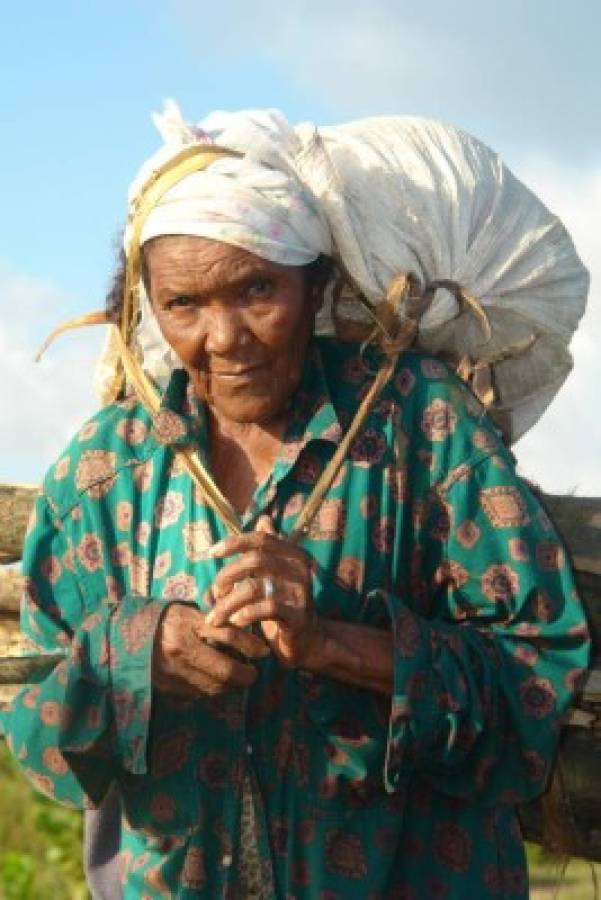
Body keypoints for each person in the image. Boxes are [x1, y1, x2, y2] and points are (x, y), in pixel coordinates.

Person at [1, 104, 590, 899]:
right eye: (185, 305)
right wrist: (136, 654)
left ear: (315, 285)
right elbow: (38, 732)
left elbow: (533, 679)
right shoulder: (110, 468)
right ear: (149, 307)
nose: (224, 337)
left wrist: (332, 644)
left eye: (256, 290)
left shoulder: (422, 422)